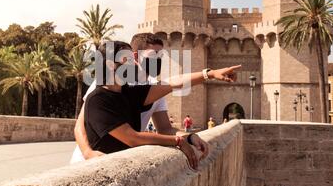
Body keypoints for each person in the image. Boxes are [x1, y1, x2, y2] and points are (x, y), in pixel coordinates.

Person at [80, 40, 241, 169]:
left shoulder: (128, 92)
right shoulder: (98, 97)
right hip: (93, 169)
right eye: (127, 60)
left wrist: (210, 74)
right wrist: (177, 141)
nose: (134, 64)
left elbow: (172, 84)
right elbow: (132, 138)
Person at [70, 33, 192, 163]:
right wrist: (87, 152)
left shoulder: (151, 87)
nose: (157, 60)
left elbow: (165, 128)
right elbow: (80, 124)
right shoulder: (107, 84)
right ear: (135, 56)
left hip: (120, 158)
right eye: (153, 55)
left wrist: (190, 137)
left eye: (160, 56)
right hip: (90, 159)